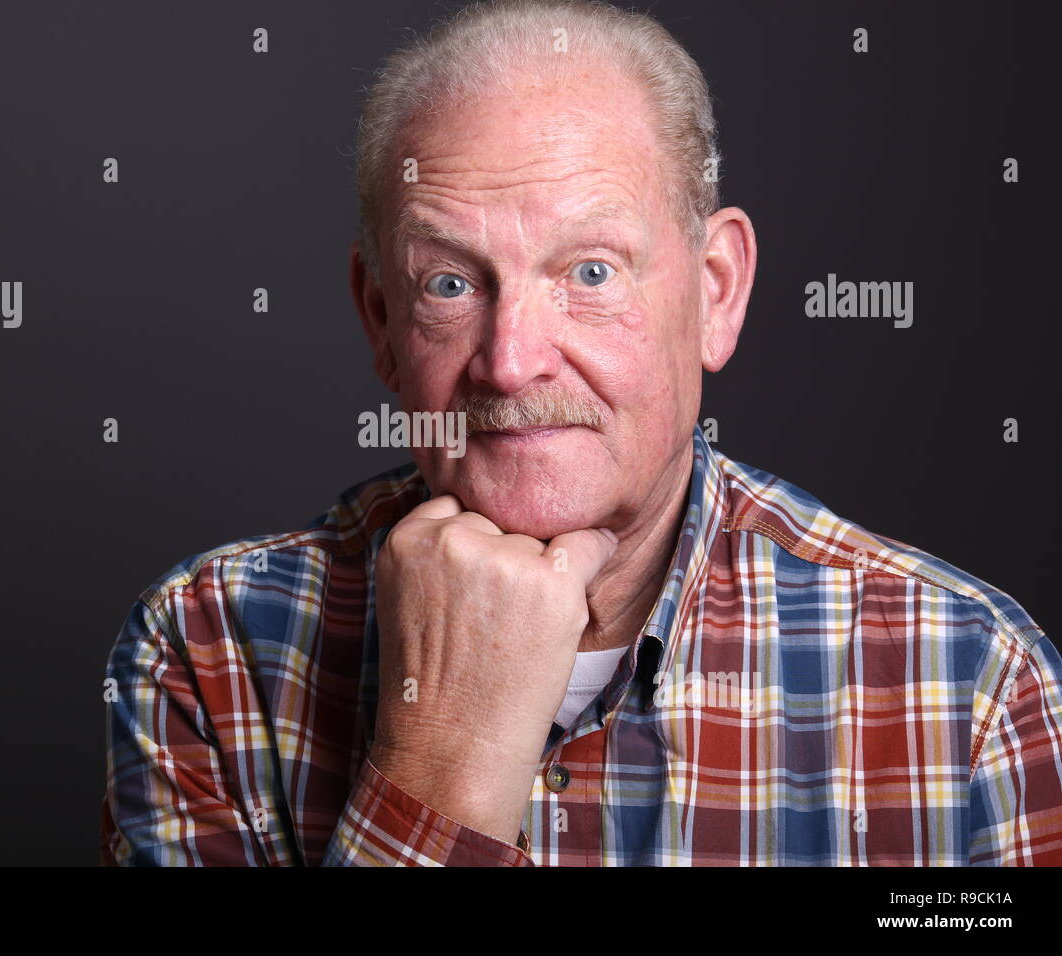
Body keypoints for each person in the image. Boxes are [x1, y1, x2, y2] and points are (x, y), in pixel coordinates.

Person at [100, 0, 1061, 865]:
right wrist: (441, 768)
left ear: (716, 293)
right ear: (381, 322)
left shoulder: (967, 684)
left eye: (592, 273)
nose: (511, 363)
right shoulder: (208, 651)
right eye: (450, 283)